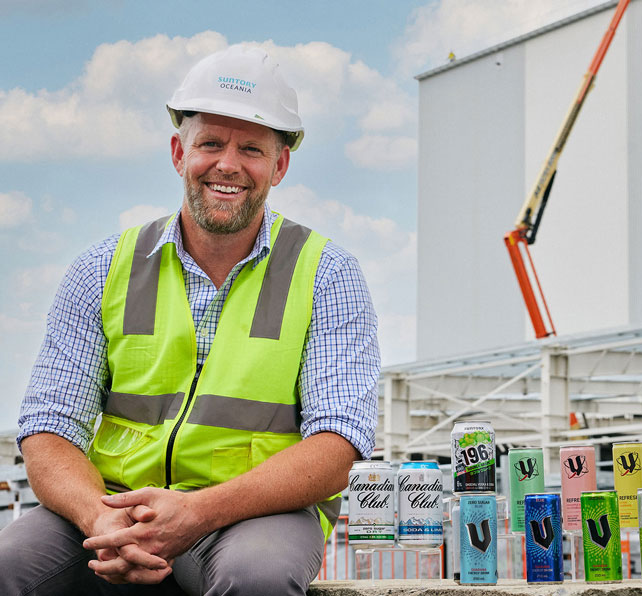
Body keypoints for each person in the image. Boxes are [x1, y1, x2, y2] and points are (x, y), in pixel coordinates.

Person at [0, 45, 381, 595]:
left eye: (251, 148)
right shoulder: (102, 268)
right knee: (10, 563)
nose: (228, 164)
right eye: (210, 143)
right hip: (115, 505)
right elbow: (50, 427)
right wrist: (98, 518)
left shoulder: (328, 274)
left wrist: (197, 512)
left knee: (259, 578)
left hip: (253, 515)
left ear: (280, 164)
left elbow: (337, 444)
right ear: (179, 152)